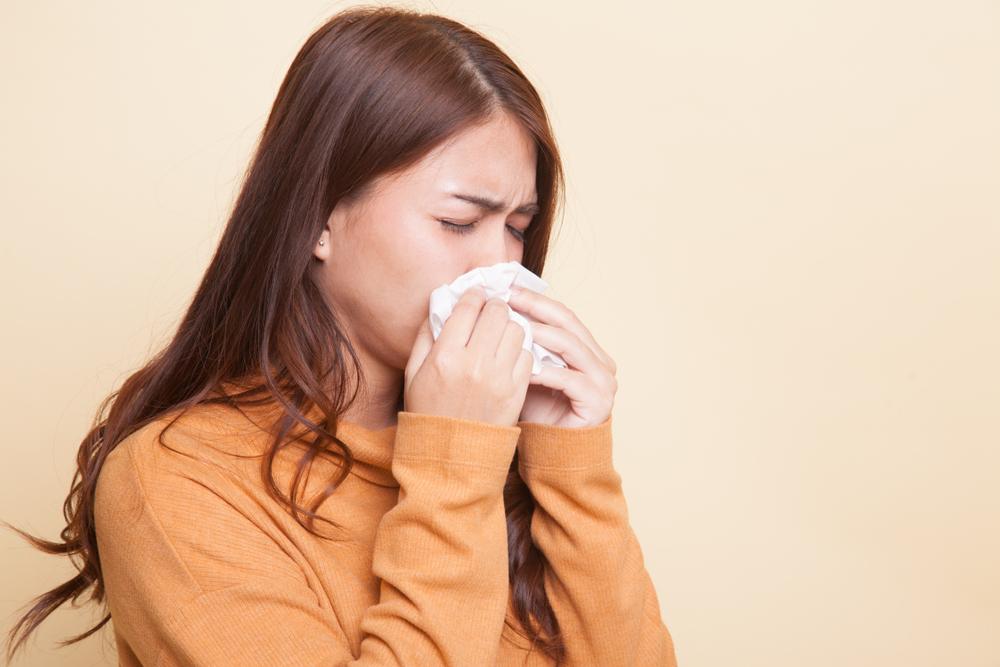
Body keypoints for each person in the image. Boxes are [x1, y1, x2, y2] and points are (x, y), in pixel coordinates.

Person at [3, 6, 678, 666]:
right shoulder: (175, 483)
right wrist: (454, 463)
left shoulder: (509, 452)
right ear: (318, 219)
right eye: (457, 221)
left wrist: (572, 466)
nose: (500, 266)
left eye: (517, 226)